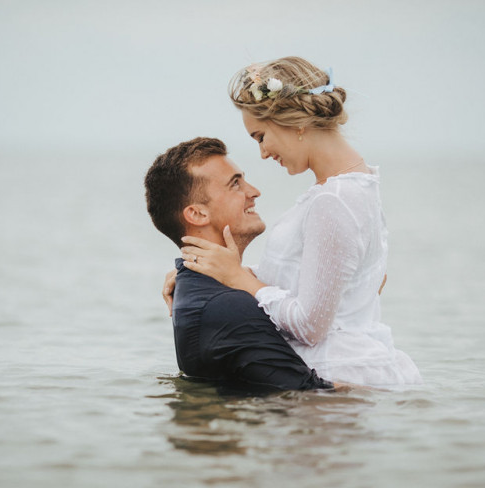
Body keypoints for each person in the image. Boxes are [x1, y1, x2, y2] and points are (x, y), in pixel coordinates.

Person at [174, 57, 422, 387]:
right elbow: (322, 285)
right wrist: (205, 274)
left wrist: (238, 278)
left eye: (260, 136)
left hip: (331, 382)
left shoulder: (334, 201)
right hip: (335, 379)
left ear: (295, 122)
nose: (262, 153)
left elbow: (310, 325)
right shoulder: (352, 188)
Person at [144, 136, 334, 392]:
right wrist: (392, 392)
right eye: (235, 184)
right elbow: (311, 396)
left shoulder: (201, 288)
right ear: (198, 214)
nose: (254, 191)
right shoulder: (228, 305)